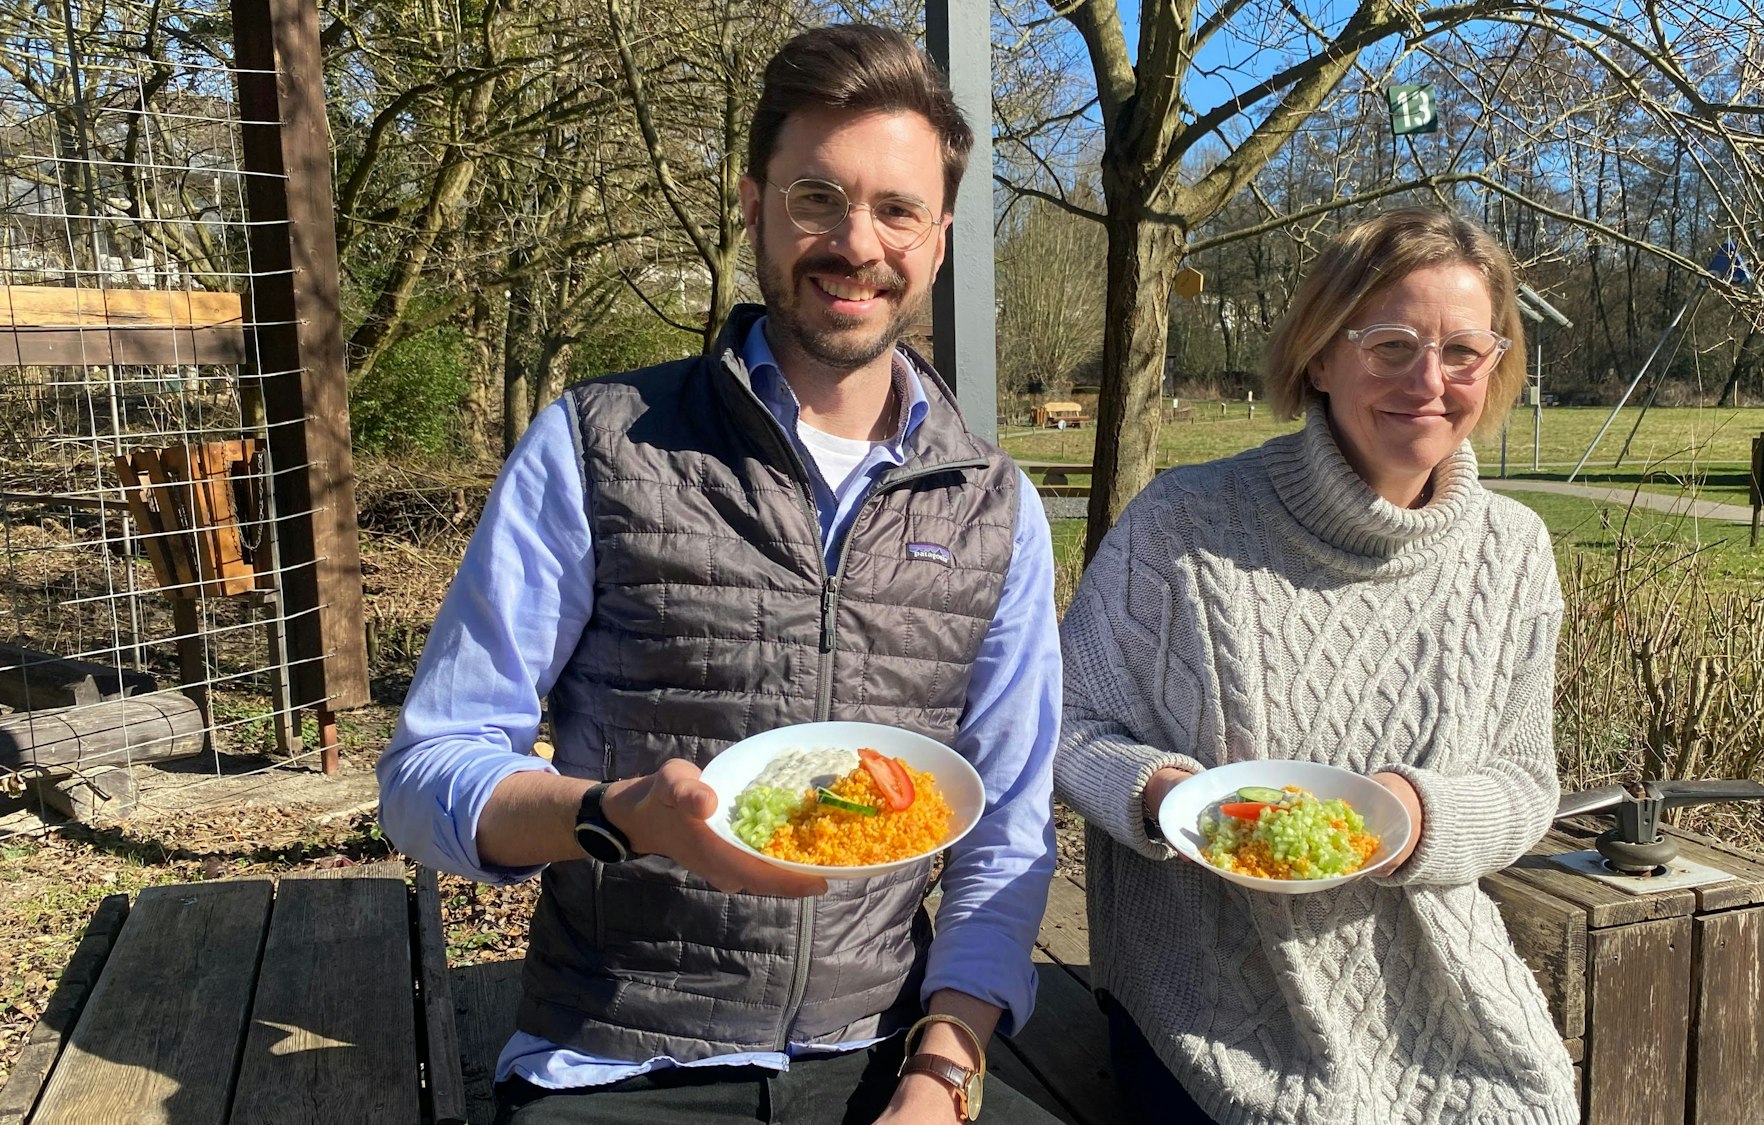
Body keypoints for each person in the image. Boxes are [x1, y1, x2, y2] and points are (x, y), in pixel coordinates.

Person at [377, 25, 1063, 1125]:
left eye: (897, 210)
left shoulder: (995, 507)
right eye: (816, 198)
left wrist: (942, 1072)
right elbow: (426, 775)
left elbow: (1005, 830)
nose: (856, 242)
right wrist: (615, 815)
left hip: (886, 1050)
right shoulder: (598, 445)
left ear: (938, 239)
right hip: (617, 1059)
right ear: (753, 206)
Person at [1054, 209, 1580, 1124]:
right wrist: (1165, 795)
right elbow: (1064, 721)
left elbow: (1527, 782)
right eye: (1391, 346)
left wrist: (1417, 815)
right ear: (1321, 355)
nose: (1430, 381)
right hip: (1210, 995)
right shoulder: (1181, 525)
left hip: (1439, 982)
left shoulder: (1515, 551)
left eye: (1463, 350)